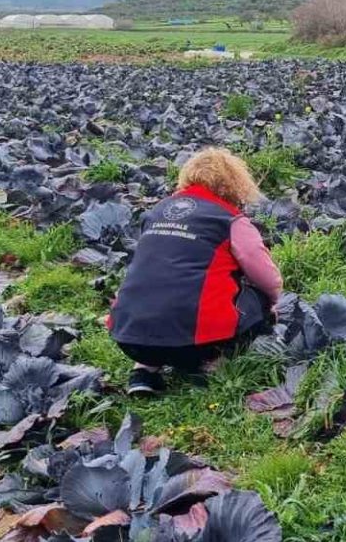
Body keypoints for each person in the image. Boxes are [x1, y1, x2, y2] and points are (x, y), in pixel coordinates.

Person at [106, 147, 283, 396]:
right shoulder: (229, 219)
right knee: (258, 297)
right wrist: (272, 302)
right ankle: (213, 364)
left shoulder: (155, 213)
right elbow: (265, 275)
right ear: (235, 184)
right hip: (196, 343)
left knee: (157, 292)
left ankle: (143, 371)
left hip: (128, 337)